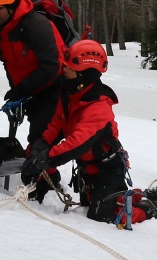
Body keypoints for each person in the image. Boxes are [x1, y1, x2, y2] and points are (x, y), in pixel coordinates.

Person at [20, 39, 135, 220]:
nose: (63, 69)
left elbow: (76, 144)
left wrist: (45, 159)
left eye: (69, 67)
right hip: (86, 170)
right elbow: (58, 122)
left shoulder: (98, 107)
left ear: (84, 74)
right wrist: (42, 144)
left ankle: (150, 204)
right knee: (88, 208)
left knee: (102, 216)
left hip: (107, 170)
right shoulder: (70, 93)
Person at [0, 0, 64, 158]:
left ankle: (43, 180)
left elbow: (52, 66)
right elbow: (9, 62)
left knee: (41, 138)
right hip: (32, 90)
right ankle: (39, 174)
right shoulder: (2, 29)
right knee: (37, 136)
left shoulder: (36, 25)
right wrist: (18, 90)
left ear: (13, 7)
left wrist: (22, 89)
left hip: (54, 88)